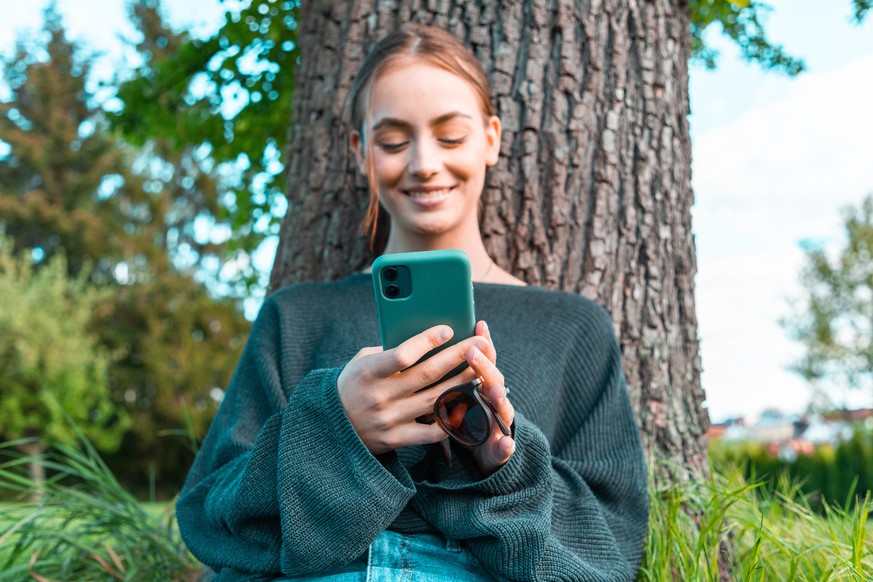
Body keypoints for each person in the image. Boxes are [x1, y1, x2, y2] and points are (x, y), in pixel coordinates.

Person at [176, 23, 649, 582]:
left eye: (451, 137)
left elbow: (612, 542)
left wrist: (504, 466)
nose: (424, 162)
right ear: (360, 152)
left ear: (492, 139)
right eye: (394, 141)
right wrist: (337, 427)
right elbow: (212, 518)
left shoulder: (572, 327)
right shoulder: (295, 315)